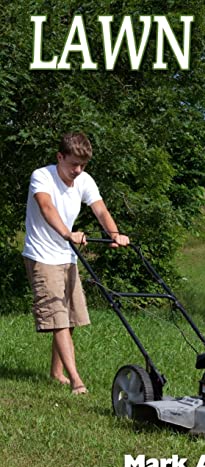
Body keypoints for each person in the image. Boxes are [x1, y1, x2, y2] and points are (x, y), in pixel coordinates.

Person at [22, 132, 129, 394]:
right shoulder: (42, 176)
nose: (78, 171)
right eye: (73, 165)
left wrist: (114, 234)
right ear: (60, 157)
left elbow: (100, 209)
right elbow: (47, 208)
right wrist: (68, 233)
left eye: (83, 166)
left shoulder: (84, 179)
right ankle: (76, 380)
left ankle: (56, 373)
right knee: (57, 318)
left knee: (69, 319)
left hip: (66, 256)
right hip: (42, 255)